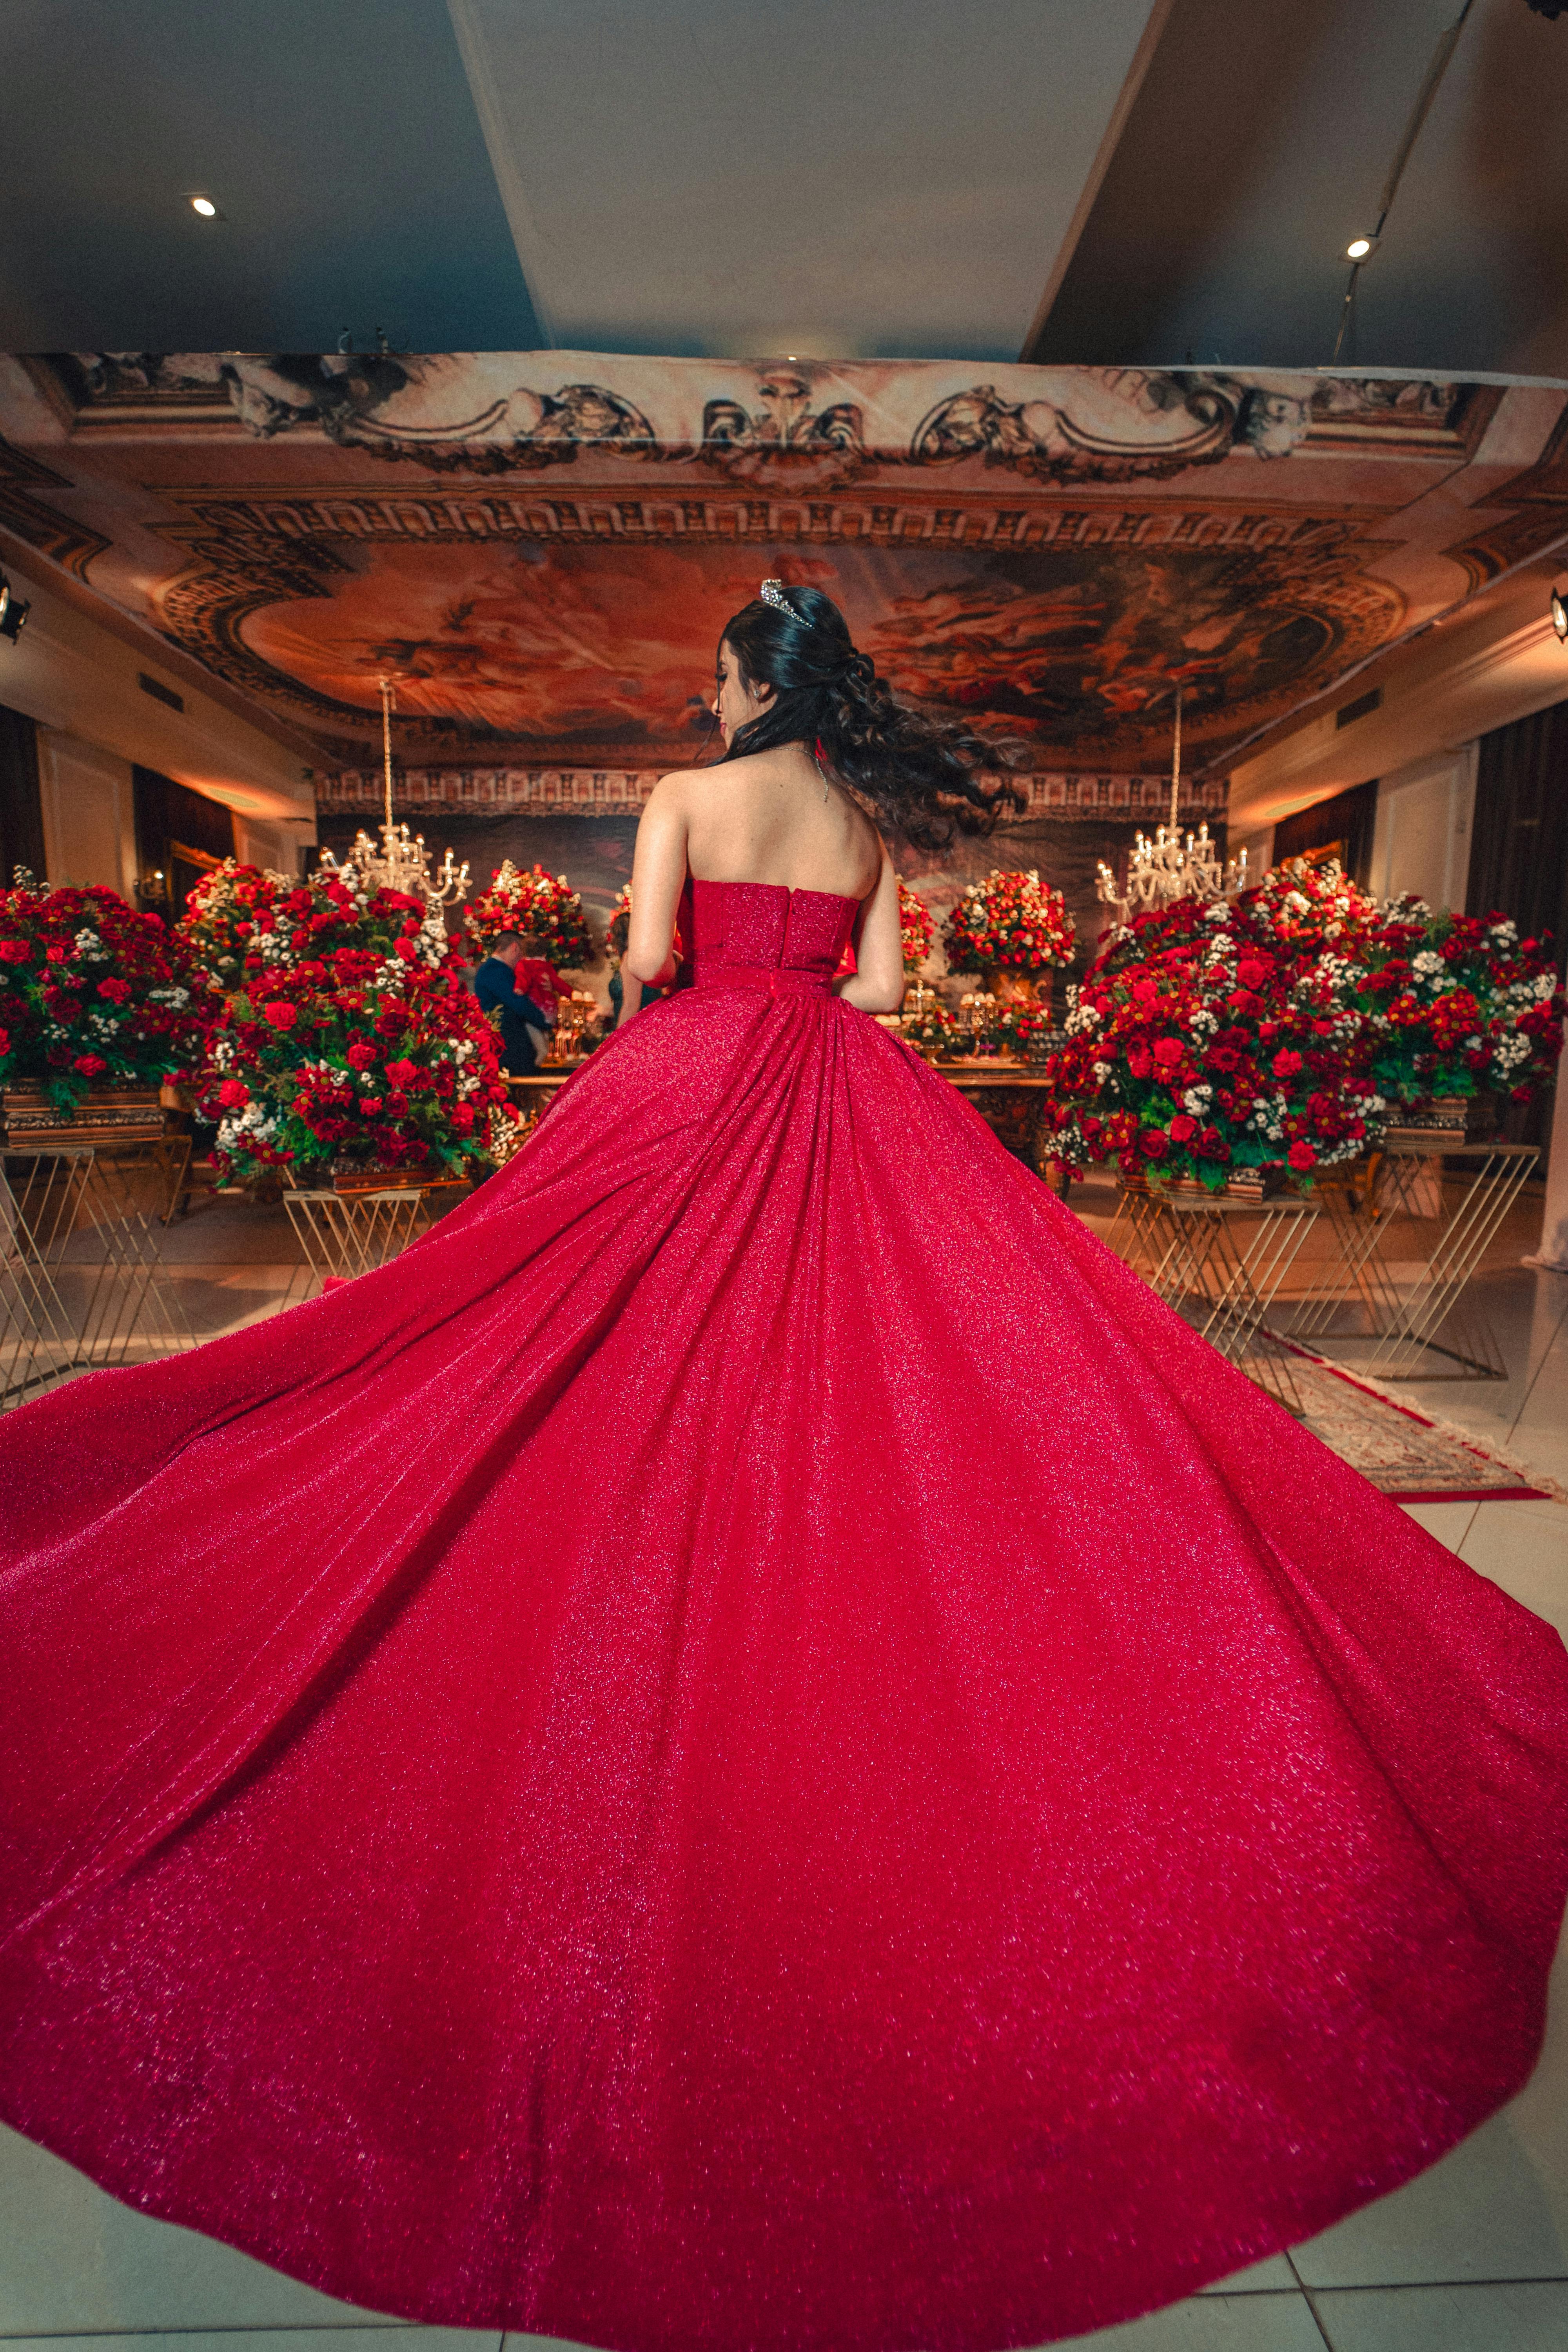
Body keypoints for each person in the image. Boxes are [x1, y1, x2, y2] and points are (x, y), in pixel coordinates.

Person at [1, 581, 1566, 2352]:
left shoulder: (684, 795)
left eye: (713, 668)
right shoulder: (865, 818)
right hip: (842, 1086)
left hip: (685, 1082)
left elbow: (652, 967)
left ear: (742, 679)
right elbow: (887, 990)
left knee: (558, 1339)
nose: (704, 683)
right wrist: (807, 974)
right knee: (908, 1366)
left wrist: (651, 992)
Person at [472, 927, 552, 1073]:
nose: (522, 959)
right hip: (509, 1045)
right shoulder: (496, 970)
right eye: (522, 953)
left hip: (508, 1043)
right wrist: (545, 1022)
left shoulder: (494, 969)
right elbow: (519, 1003)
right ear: (515, 948)